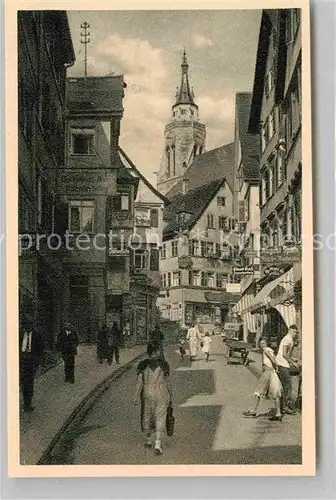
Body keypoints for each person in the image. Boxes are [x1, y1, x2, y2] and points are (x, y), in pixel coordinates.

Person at [134, 341, 173, 455]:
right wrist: (171, 395)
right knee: (160, 416)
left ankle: (148, 440)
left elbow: (139, 382)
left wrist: (136, 395)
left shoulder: (142, 364)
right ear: (157, 351)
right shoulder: (163, 364)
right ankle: (157, 444)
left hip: (147, 392)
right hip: (161, 391)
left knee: (147, 414)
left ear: (148, 351)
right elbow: (167, 382)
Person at [243, 337, 282, 420]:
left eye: (263, 344)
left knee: (258, 390)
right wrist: (276, 369)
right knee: (275, 393)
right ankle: (278, 413)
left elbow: (273, 361)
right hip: (272, 373)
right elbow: (274, 360)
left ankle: (253, 410)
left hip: (268, 373)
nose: (261, 346)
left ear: (267, 344)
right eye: (260, 344)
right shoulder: (270, 350)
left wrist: (272, 367)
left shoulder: (266, 350)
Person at [19, 320, 45, 412]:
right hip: (20, 361)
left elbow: (41, 350)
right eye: (25, 325)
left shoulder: (37, 336)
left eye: (30, 325)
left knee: (29, 384)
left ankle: (27, 404)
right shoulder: (19, 334)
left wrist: (37, 362)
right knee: (21, 383)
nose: (28, 327)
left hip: (31, 362)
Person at [276, 325, 299, 415]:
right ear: (289, 330)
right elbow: (284, 354)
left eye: (296, 332)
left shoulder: (291, 340)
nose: (295, 334)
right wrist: (293, 363)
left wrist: (293, 360)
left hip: (284, 364)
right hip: (282, 364)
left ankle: (284, 406)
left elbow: (287, 355)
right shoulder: (287, 339)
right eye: (293, 331)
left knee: (286, 386)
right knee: (287, 386)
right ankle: (285, 407)